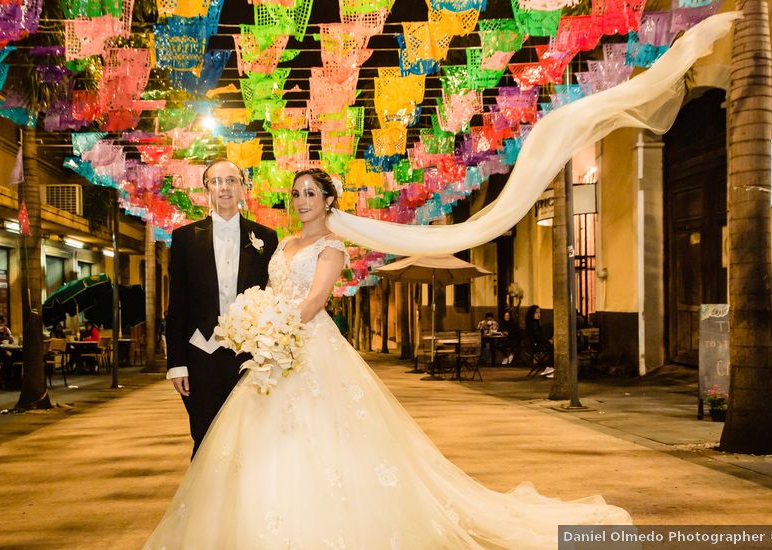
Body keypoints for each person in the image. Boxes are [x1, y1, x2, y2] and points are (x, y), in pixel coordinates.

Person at [144, 168, 631, 548]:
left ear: (328, 201)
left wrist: (271, 327)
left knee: (329, 441)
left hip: (306, 346)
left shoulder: (332, 247)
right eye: (296, 194)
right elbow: (264, 289)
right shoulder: (282, 242)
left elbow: (314, 302)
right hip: (271, 350)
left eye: (311, 193)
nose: (301, 201)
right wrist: (258, 323)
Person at [164, 158, 279, 458]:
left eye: (231, 180)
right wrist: (176, 363)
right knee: (205, 438)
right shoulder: (184, 238)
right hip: (201, 353)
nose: (224, 187)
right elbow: (176, 304)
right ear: (206, 190)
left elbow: (273, 297)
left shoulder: (266, 238)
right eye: (216, 181)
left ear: (243, 187)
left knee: (250, 439)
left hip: (250, 357)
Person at [525, 305, 554, 377]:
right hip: (535, 346)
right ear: (532, 314)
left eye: (539, 312)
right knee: (554, 348)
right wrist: (548, 341)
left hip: (534, 345)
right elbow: (538, 337)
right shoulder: (533, 324)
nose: (538, 314)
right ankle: (549, 367)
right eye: (536, 312)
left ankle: (549, 369)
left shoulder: (533, 323)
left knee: (552, 347)